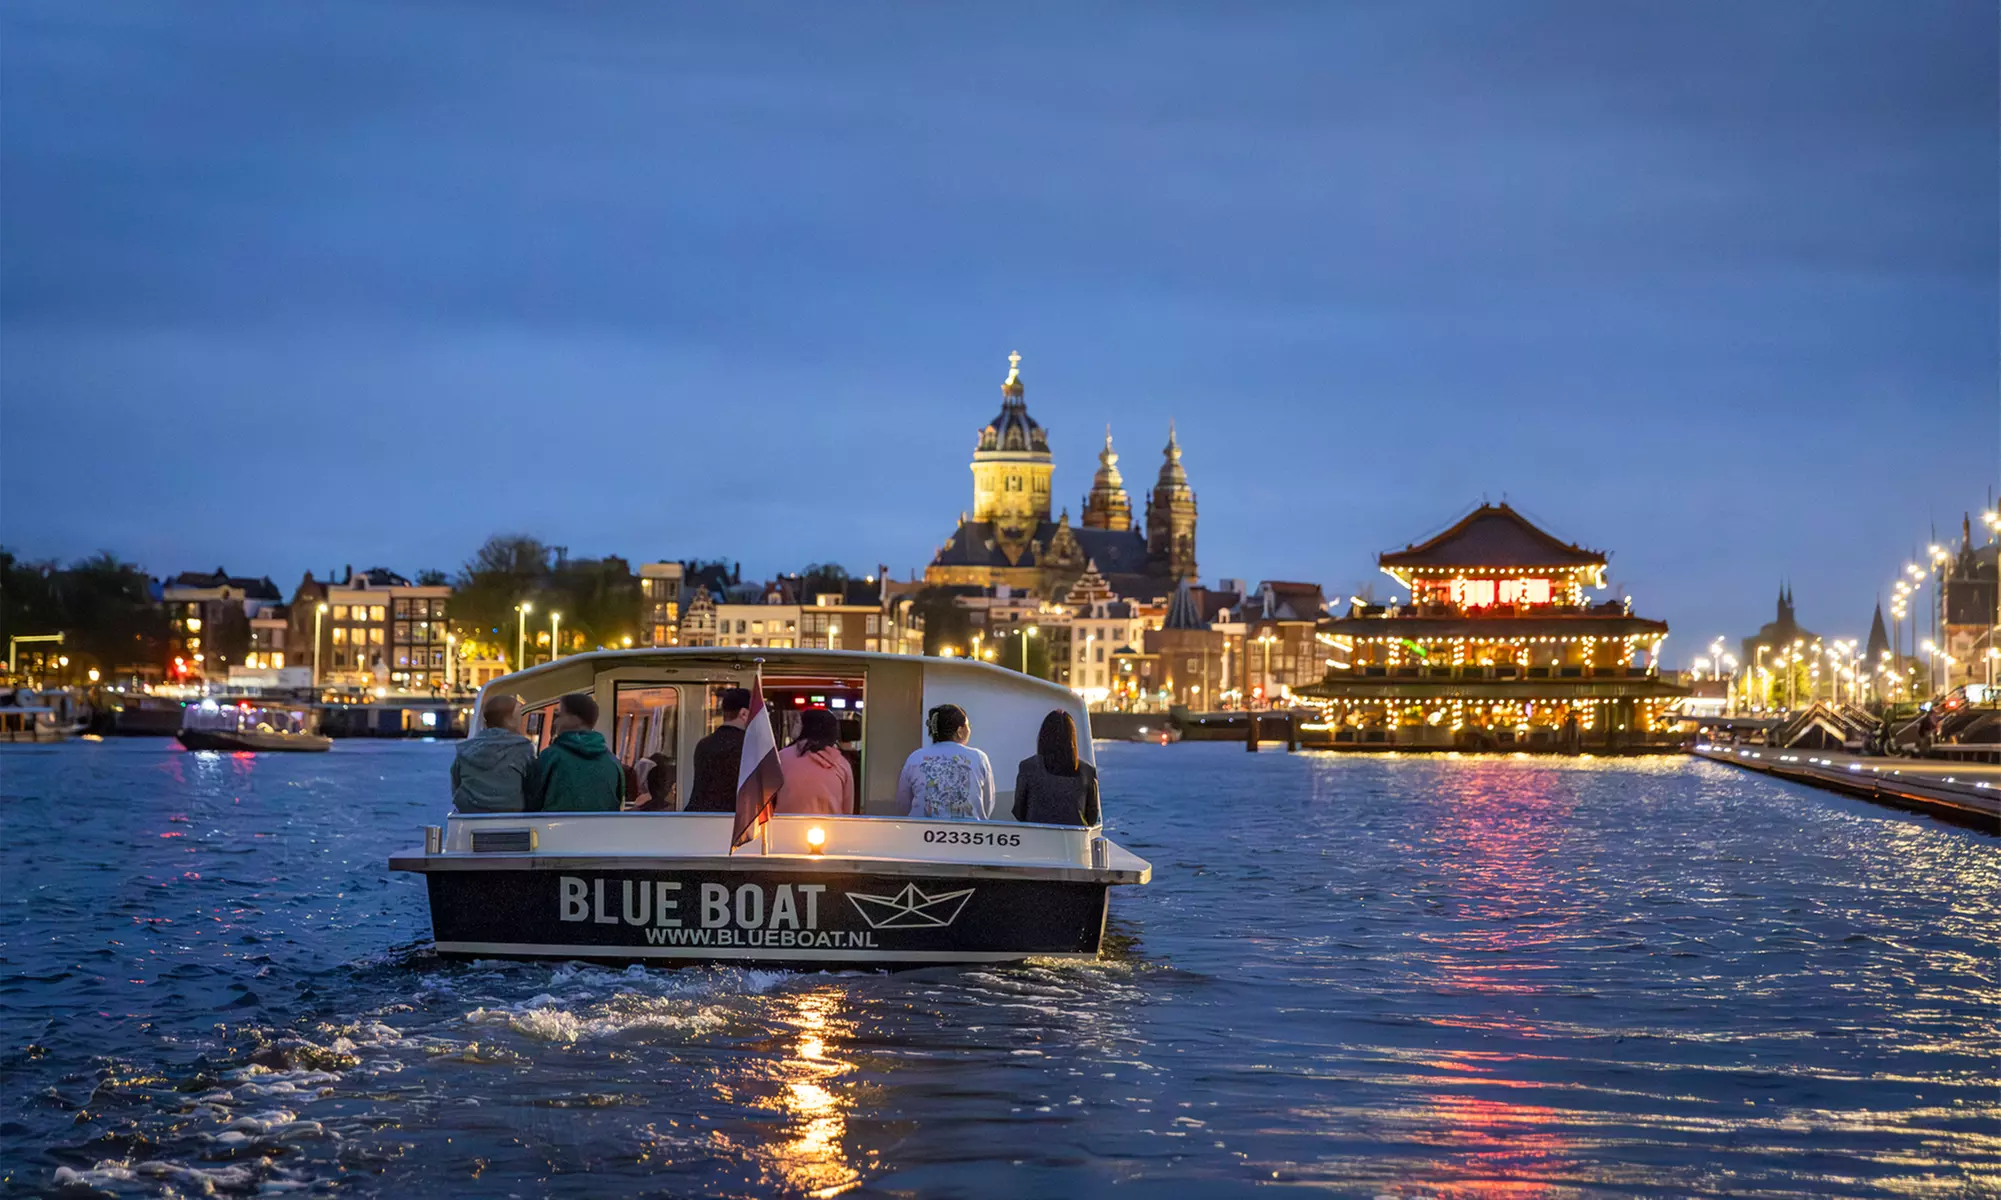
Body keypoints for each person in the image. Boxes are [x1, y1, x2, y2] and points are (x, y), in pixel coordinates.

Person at [895, 703, 995, 820]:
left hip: (922, 833)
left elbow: (903, 804)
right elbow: (988, 803)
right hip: (968, 834)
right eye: (968, 725)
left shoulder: (916, 757)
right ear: (960, 730)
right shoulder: (978, 757)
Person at [528, 692, 624, 812]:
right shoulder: (612, 762)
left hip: (555, 829)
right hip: (601, 830)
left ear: (575, 719)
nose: (555, 722)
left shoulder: (550, 756)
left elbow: (532, 801)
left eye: (559, 715)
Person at [1013, 709, 1101, 827]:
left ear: (1043, 737)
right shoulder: (1087, 771)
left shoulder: (1028, 767)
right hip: (1074, 840)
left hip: (1036, 837)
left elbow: (1019, 812)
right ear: (1072, 739)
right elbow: (1092, 817)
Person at [450, 693, 535, 812]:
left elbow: (456, 785)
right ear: (510, 719)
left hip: (470, 813)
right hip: (512, 815)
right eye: (519, 714)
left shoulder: (466, 749)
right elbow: (533, 788)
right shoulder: (523, 748)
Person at [775, 709, 854, 815]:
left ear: (805, 728)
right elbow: (847, 811)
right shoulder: (841, 764)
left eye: (798, 722)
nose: (794, 725)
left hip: (783, 827)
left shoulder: (781, 758)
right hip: (832, 828)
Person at [686, 688, 753, 812]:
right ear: (743, 713)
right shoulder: (749, 746)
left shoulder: (703, 744)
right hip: (732, 821)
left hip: (699, 818)